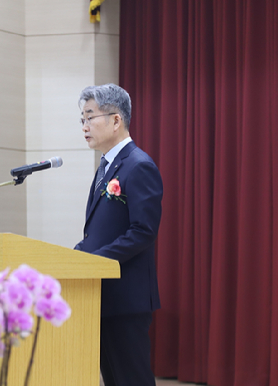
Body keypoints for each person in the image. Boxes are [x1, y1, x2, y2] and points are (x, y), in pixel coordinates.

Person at [74, 84, 163, 386]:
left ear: (116, 120)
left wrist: (95, 261)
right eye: (82, 119)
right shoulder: (105, 168)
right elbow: (99, 231)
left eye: (90, 117)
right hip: (102, 295)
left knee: (132, 380)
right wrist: (76, 256)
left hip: (126, 297)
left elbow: (143, 231)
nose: (84, 126)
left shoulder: (138, 166)